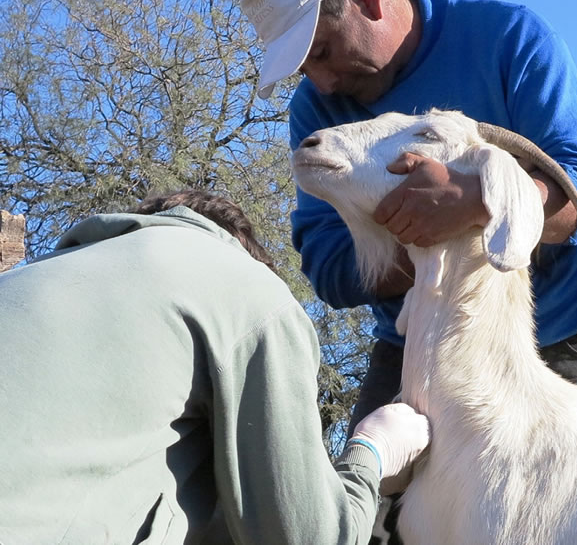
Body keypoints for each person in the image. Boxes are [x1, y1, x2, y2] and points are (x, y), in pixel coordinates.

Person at [240, 0, 577, 433]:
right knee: (364, 501)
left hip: (558, 339)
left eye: (322, 51)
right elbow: (330, 268)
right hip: (415, 354)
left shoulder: (508, 36)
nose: (323, 83)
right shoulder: (316, 109)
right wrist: (430, 237)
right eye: (303, 69)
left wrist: (480, 201)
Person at [0, 190, 430, 545]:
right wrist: (371, 453)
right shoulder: (248, 286)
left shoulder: (27, 278)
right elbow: (309, 538)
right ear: (246, 253)